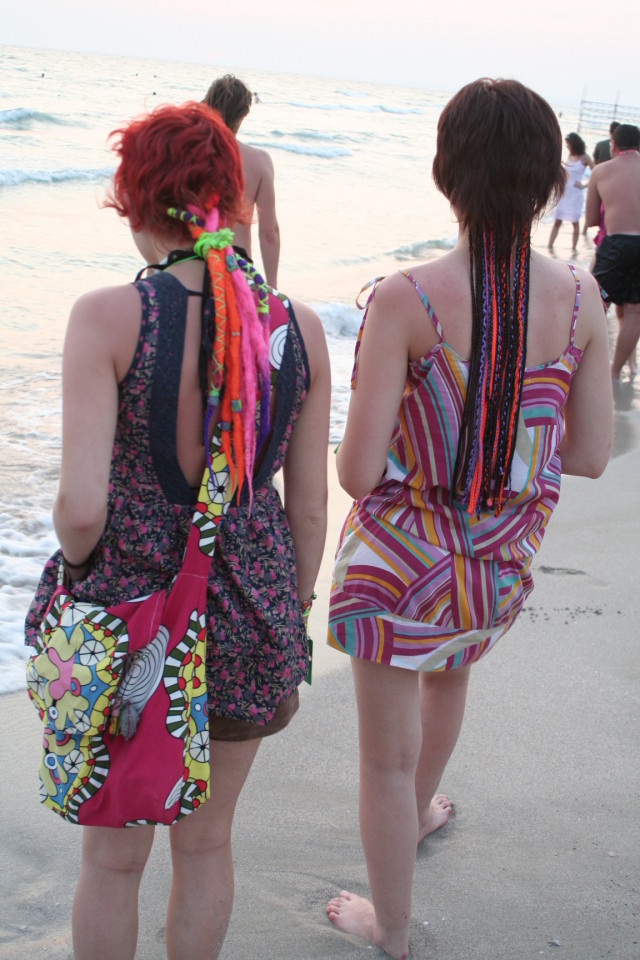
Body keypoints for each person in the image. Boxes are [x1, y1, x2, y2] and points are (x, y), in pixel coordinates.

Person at [24, 101, 330, 960]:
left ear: (134, 200)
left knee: (112, 860)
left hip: (130, 613)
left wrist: (77, 575)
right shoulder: (299, 327)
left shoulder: (110, 316)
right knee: (206, 844)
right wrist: (288, 608)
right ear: (230, 198)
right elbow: (309, 508)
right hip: (249, 614)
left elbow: (81, 508)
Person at [325, 78, 612, 960]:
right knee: (447, 682)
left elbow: (357, 472)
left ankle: (391, 929)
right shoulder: (584, 300)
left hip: (396, 565)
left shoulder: (405, 297)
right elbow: (590, 455)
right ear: (548, 183)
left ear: (445, 173)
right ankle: (415, 817)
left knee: (382, 758)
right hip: (493, 566)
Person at [204, 74, 281, 288]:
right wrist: (272, 287)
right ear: (245, 112)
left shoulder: (186, 153)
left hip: (191, 260)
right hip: (236, 267)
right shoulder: (259, 161)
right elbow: (269, 233)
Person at [586, 123, 640, 380]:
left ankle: (584, 368)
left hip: (615, 243)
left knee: (597, 305)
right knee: (635, 312)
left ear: (614, 145)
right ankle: (615, 373)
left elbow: (591, 220)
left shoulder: (601, 171)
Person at [548, 132, 594, 253]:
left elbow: (596, 173)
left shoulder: (585, 158)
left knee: (575, 222)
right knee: (557, 220)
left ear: (574, 144)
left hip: (575, 194)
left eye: (568, 144)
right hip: (564, 192)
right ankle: (549, 247)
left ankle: (573, 250)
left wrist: (584, 185)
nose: (567, 146)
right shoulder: (569, 155)